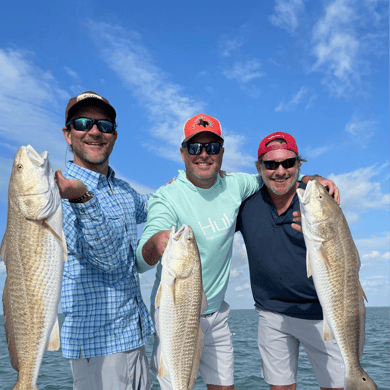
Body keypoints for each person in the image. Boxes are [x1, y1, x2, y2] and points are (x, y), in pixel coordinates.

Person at [135, 114, 338, 390]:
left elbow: (278, 174)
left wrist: (315, 179)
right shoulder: (166, 197)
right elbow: (141, 261)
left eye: (212, 147)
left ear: (222, 153)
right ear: (182, 153)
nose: (204, 154)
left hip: (217, 315)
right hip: (178, 313)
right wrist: (157, 243)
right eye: (195, 147)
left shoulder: (237, 185)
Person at [55, 91, 154, 390]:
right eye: (83, 123)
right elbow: (109, 259)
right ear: (68, 134)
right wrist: (83, 198)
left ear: (114, 135)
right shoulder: (58, 194)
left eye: (104, 125)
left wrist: (196, 180)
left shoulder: (120, 188)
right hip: (98, 347)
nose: (95, 131)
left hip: (133, 336)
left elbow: (153, 205)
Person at [236, 132, 344, 390]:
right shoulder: (245, 205)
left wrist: (315, 180)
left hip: (322, 312)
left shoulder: (318, 198)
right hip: (272, 313)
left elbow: (343, 256)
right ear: (259, 168)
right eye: (271, 164)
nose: (280, 171)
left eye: (288, 163)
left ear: (298, 165)